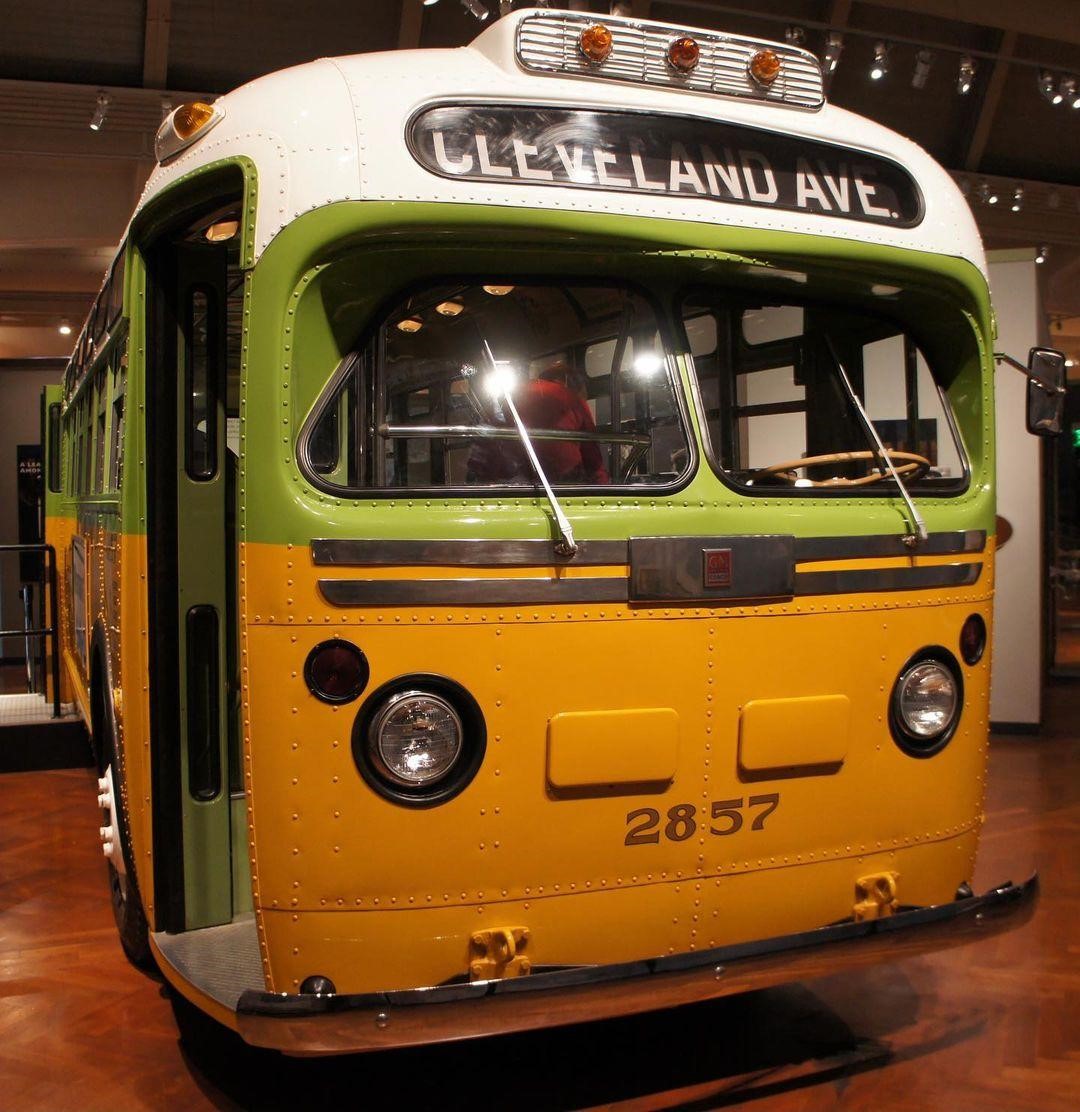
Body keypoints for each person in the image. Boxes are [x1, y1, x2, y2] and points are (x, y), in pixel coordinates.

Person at [514, 358, 610, 484]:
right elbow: (592, 458)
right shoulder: (573, 400)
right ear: (568, 382)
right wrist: (602, 485)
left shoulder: (514, 394)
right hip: (563, 479)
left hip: (516, 476)